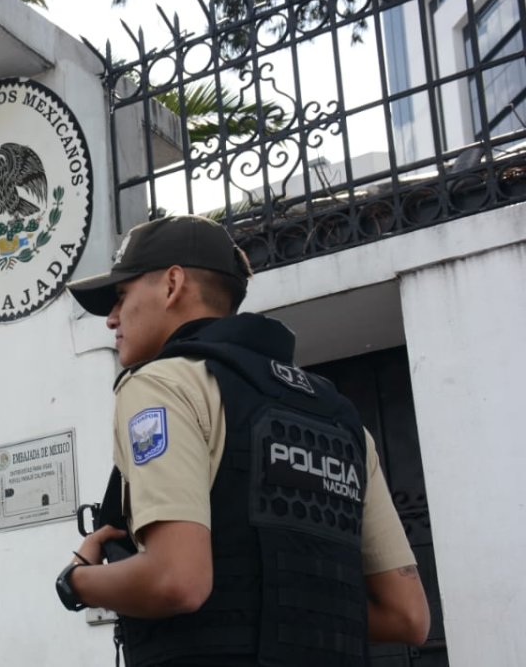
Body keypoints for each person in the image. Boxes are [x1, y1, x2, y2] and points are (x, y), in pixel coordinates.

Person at [56, 215, 430, 666]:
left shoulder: (163, 384)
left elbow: (177, 580)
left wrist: (77, 581)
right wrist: (274, 608)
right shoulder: (341, 417)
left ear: (172, 284)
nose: (111, 319)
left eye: (120, 296)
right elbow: (408, 616)